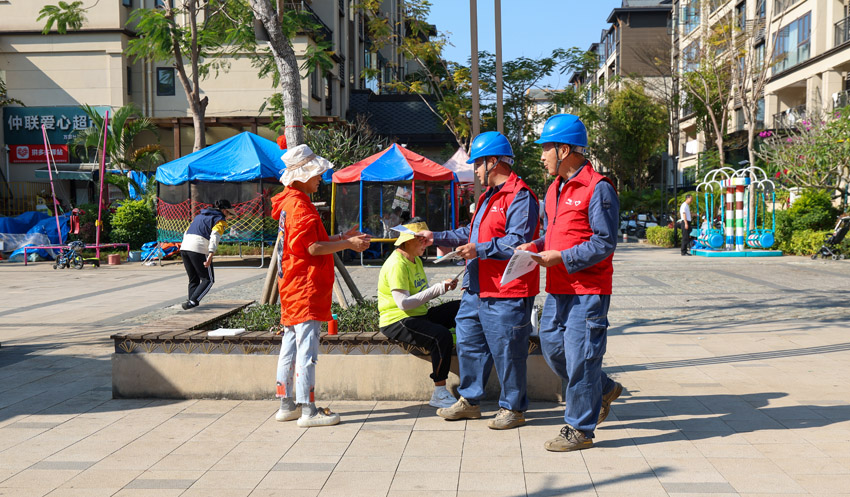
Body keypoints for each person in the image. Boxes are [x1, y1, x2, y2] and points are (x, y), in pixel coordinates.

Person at [418, 131, 540, 430]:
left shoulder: (520, 196)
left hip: (506, 290)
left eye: (477, 164)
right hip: (477, 287)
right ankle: (470, 401)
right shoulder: (487, 197)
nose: (474, 170)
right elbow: (469, 234)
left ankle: (513, 408)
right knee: (470, 343)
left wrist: (480, 249)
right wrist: (436, 236)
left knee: (508, 350)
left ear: (493, 162)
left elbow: (518, 241)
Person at [516, 113, 623, 452]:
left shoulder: (598, 187)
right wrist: (535, 246)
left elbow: (604, 242)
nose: (542, 155)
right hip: (559, 288)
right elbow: (554, 235)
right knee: (552, 348)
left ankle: (579, 428)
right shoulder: (554, 189)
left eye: (546, 148)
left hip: (588, 291)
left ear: (564, 150)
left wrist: (563, 257)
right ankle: (602, 387)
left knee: (581, 359)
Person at [272, 144, 371, 428]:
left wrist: (342, 236)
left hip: (292, 285)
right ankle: (308, 410)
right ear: (301, 176)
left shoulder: (289, 202)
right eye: (317, 173)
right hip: (306, 287)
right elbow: (313, 248)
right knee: (307, 352)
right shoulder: (301, 206)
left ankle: (286, 404)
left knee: (289, 347)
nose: (320, 178)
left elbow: (308, 242)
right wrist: (347, 243)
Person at [377, 219, 460, 408]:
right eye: (420, 239)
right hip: (397, 320)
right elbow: (404, 304)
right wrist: (438, 289)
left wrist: (444, 287)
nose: (425, 243)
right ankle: (439, 392)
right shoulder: (397, 264)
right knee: (441, 336)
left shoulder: (414, 260)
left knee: (461, 307)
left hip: (418, 315)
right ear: (407, 241)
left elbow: (420, 293)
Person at [179, 199, 233, 310]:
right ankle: (193, 301)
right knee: (208, 279)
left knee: (193, 278)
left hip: (184, 247)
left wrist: (185, 247)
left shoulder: (199, 216)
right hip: (198, 247)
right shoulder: (220, 220)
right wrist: (210, 255)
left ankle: (191, 301)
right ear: (224, 211)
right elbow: (215, 237)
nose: (228, 215)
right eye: (228, 212)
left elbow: (186, 231)